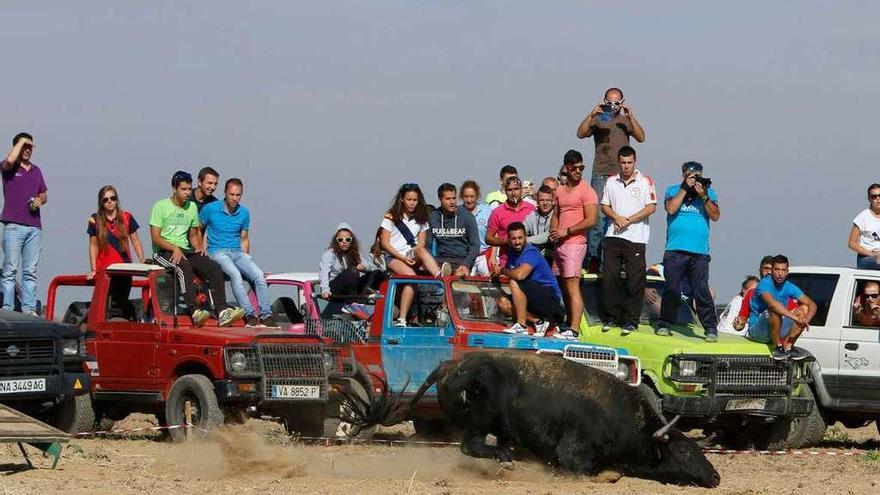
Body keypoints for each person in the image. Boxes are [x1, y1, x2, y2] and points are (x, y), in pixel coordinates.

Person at [151, 171, 244, 327]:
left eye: (189, 189)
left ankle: (222, 311)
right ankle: (194, 310)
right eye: (184, 189)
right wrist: (173, 248)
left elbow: (194, 233)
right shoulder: (160, 206)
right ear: (175, 188)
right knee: (183, 266)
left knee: (214, 267)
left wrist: (199, 249)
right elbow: (155, 238)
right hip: (163, 251)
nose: (188, 193)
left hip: (185, 249)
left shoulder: (192, 207)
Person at [576, 88, 646, 269]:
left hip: (621, 176)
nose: (612, 106)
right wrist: (591, 115)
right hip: (600, 173)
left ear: (622, 102)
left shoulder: (625, 120)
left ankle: (617, 261)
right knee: (598, 217)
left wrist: (631, 117)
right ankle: (593, 258)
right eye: (609, 103)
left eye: (616, 103)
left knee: (620, 216)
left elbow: (641, 137)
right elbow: (581, 133)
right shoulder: (598, 119)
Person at [199, 178, 277, 328]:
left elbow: (244, 237)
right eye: (231, 194)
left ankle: (266, 314)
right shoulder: (211, 208)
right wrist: (200, 248)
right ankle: (249, 314)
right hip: (218, 251)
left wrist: (246, 257)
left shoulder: (244, 212)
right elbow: (196, 228)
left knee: (259, 275)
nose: (234, 198)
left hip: (237, 251)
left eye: (238, 195)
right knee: (235, 274)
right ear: (225, 193)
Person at [657, 161, 721, 341]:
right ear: (684, 175)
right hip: (675, 249)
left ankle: (710, 328)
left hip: (699, 252)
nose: (694, 179)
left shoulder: (708, 192)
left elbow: (716, 216)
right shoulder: (673, 190)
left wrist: (704, 196)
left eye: (697, 176)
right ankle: (665, 323)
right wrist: (685, 188)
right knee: (672, 289)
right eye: (691, 176)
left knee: (701, 289)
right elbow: (671, 208)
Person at [600, 146, 657, 334]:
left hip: (636, 237)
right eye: (623, 163)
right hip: (613, 235)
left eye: (629, 162)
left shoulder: (645, 181)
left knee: (635, 280)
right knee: (610, 278)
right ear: (619, 162)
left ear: (635, 161)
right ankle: (611, 317)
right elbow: (605, 206)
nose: (626, 166)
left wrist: (628, 220)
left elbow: (651, 207)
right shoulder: (611, 181)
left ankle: (631, 320)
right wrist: (616, 217)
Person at [380, 183, 451, 327]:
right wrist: (402, 258)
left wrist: (413, 256)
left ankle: (439, 275)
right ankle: (402, 319)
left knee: (421, 250)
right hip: (394, 256)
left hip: (412, 253)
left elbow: (421, 244)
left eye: (415, 200)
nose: (412, 203)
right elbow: (385, 243)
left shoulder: (422, 217)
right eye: (409, 199)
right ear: (402, 199)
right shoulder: (391, 216)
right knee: (411, 277)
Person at [550, 150, 598, 338]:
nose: (578, 171)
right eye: (574, 168)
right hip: (560, 244)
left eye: (581, 168)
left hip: (575, 243)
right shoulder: (560, 190)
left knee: (572, 285)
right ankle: (565, 324)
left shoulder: (587, 191)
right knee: (560, 285)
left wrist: (567, 231)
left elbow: (592, 219)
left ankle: (574, 329)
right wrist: (555, 232)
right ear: (567, 168)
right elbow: (556, 214)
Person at [491, 222, 567, 338]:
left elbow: (520, 275)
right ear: (509, 240)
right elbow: (511, 272)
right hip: (531, 297)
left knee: (515, 281)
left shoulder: (530, 252)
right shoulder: (512, 253)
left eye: (520, 238)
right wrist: (497, 274)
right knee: (503, 303)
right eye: (513, 239)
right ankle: (538, 321)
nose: (517, 242)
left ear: (525, 237)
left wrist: (501, 270)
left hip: (550, 298)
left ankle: (521, 325)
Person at [1, 132, 47, 315]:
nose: (28, 150)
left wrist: (39, 200)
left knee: (30, 271)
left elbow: (44, 194)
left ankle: (29, 309)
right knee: (10, 269)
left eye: (30, 147)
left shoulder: (36, 170)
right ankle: (8, 308)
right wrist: (20, 142)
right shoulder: (9, 167)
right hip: (13, 225)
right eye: (24, 146)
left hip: (34, 227)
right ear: (17, 147)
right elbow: (9, 161)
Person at [87, 185, 145, 320]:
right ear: (101, 202)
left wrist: (141, 259)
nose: (109, 201)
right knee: (104, 309)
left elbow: (135, 240)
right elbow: (93, 245)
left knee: (121, 304)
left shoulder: (127, 217)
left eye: (112, 198)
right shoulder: (94, 219)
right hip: (105, 272)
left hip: (124, 270)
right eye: (105, 199)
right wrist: (93, 269)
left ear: (117, 200)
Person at [747, 255, 817, 360]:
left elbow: (812, 304)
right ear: (772, 271)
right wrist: (797, 319)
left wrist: (805, 320)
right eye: (777, 269)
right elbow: (772, 304)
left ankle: (788, 347)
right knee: (774, 310)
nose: (780, 273)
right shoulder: (764, 283)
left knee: (804, 309)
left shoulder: (789, 286)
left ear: (787, 271)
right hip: (758, 331)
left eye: (783, 270)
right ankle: (777, 347)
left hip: (777, 329)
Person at [319, 223, 382, 317]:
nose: (344, 242)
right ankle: (350, 303)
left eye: (347, 239)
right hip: (336, 286)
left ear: (351, 241)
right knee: (352, 271)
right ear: (336, 241)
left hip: (352, 288)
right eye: (340, 240)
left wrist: (364, 267)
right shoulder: (329, 254)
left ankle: (360, 302)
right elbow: (324, 272)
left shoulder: (355, 254)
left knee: (376, 272)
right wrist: (325, 290)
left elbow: (371, 266)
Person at [427, 183, 480, 276]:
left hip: (461, 260)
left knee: (459, 276)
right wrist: (430, 262)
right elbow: (427, 245)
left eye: (454, 198)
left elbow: (475, 245)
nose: (452, 202)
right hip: (440, 260)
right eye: (448, 199)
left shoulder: (467, 217)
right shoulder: (433, 217)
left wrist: (466, 264)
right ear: (440, 199)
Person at [486, 177, 536, 248]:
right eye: (509, 190)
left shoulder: (531, 208)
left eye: (516, 189)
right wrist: (506, 242)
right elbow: (488, 238)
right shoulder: (497, 212)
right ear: (505, 192)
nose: (513, 193)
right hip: (507, 257)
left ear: (521, 190)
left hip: (529, 255)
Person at [732, 255, 777, 331]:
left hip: (778, 332)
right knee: (769, 313)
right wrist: (738, 324)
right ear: (760, 271)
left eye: (771, 269)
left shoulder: (784, 291)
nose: (769, 272)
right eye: (766, 268)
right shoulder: (751, 293)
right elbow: (741, 322)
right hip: (758, 331)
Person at [460, 180, 493, 276]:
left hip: (484, 256)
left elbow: (495, 234)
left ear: (477, 196)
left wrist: (493, 257)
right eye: (466, 197)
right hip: (465, 257)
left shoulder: (487, 211)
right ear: (462, 196)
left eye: (472, 196)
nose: (469, 200)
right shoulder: (458, 212)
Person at [848, 183, 880, 270]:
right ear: (870, 199)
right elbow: (852, 243)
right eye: (874, 196)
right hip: (866, 258)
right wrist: (872, 254)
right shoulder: (863, 217)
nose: (878, 199)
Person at [523, 184, 555, 261]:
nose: (545, 203)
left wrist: (527, 240)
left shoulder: (557, 215)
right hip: (535, 256)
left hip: (553, 257)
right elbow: (521, 231)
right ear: (537, 201)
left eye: (548, 200)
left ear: (553, 201)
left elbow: (550, 235)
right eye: (542, 200)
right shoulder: (532, 215)